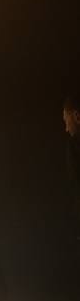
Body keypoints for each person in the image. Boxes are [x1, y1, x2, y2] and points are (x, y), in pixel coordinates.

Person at [63, 93, 80, 249]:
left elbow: (74, 181)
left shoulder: (74, 144)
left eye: (66, 122)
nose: (67, 128)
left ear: (76, 117)